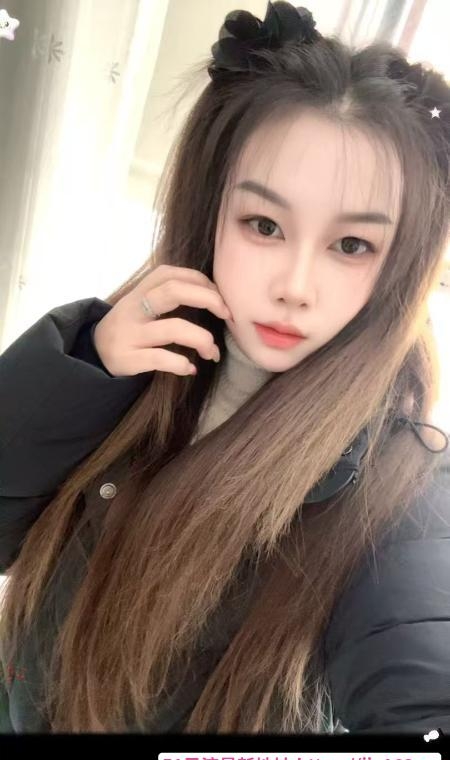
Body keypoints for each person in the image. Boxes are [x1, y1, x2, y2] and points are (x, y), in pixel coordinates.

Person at [0, 0, 450, 736]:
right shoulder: (125, 360)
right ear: (210, 212)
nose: (295, 287)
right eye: (263, 225)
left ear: (399, 265)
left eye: (351, 246)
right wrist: (80, 370)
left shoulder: (406, 489)